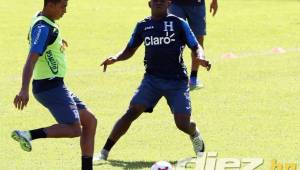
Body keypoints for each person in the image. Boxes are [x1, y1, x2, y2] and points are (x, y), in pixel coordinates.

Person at [93, 0, 211, 163]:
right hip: (152, 80)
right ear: (149, 4)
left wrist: (201, 57)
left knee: (182, 123)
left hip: (176, 81)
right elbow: (129, 49)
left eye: (162, 1)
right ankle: (104, 153)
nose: (159, 3)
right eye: (155, 0)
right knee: (132, 112)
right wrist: (116, 58)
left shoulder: (179, 24)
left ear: (169, 3)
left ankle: (194, 133)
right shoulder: (143, 26)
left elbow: (196, 45)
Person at [12, 0, 97, 169]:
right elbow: (31, 60)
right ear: (50, 5)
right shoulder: (44, 29)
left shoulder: (41, 18)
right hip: (50, 87)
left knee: (90, 120)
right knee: (74, 129)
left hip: (56, 85)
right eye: (63, 6)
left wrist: (57, 40)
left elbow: (37, 33)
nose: (65, 11)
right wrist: (23, 89)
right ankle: (27, 135)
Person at [169, 0, 218, 89]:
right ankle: (174, 77)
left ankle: (193, 78)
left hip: (197, 4)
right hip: (175, 4)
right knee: (174, 40)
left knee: (198, 40)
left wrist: (214, 1)